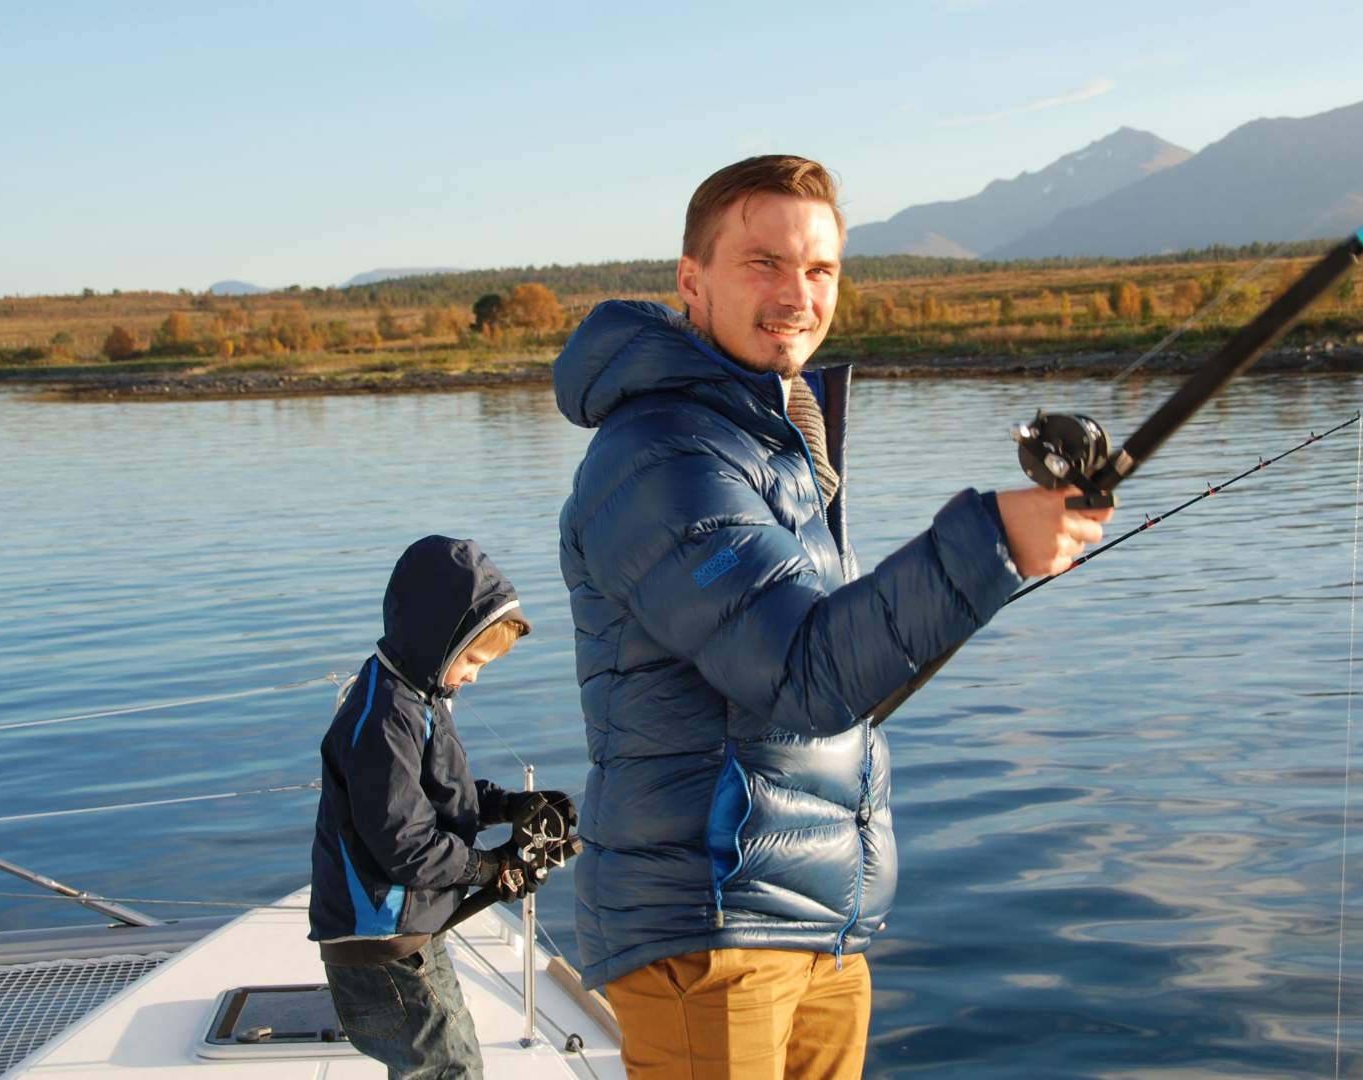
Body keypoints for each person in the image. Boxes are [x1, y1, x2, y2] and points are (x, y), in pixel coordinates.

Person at [552, 155, 1113, 1079]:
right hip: (713, 927)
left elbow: (816, 667)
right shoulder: (661, 456)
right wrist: (987, 545)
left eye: (820, 270)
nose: (796, 295)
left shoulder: (773, 439)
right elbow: (800, 671)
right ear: (691, 283)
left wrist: (999, 551)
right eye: (762, 263)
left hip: (812, 922)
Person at [309, 535, 576, 1079]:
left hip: (408, 937)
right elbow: (404, 843)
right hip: (385, 947)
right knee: (449, 1069)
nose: (475, 675)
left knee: (451, 1062)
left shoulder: (414, 695)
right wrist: (490, 868)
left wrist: (512, 805)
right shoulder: (384, 718)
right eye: (474, 659)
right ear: (437, 639)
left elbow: (436, 794)